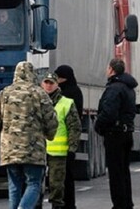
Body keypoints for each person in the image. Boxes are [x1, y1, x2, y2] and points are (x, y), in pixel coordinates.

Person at [0, 61, 58, 209]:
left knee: (14, 185)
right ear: (33, 75)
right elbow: (51, 121)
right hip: (33, 150)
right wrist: (50, 135)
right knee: (33, 183)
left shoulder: (5, 93)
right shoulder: (40, 94)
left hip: (10, 150)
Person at [95, 59, 138, 209]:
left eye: (108, 68)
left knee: (115, 173)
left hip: (115, 134)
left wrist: (98, 125)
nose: (106, 70)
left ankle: (119, 204)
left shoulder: (114, 89)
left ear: (112, 70)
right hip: (126, 132)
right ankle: (127, 203)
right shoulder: (128, 87)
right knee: (124, 171)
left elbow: (109, 113)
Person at [41, 72, 81, 209]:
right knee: (36, 185)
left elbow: (74, 127)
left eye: (51, 83)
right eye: (46, 82)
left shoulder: (66, 103)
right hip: (38, 151)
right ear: (42, 84)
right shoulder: (36, 102)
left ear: (57, 84)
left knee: (56, 185)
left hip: (59, 153)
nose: (48, 86)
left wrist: (72, 148)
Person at [54, 65, 83, 209]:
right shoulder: (76, 91)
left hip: (62, 145)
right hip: (68, 143)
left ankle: (65, 205)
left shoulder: (65, 95)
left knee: (62, 179)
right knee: (67, 178)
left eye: (58, 77)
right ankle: (70, 205)